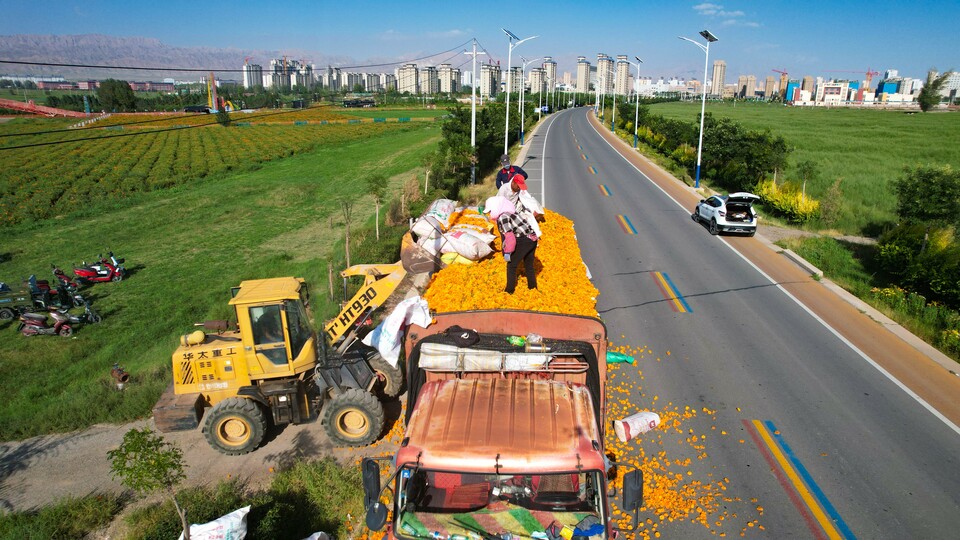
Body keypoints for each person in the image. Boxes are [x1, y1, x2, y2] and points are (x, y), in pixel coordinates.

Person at [484, 195, 538, 294]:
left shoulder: (503, 217)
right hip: (533, 239)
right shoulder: (511, 213)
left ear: (497, 207)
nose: (490, 214)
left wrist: (508, 253)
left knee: (511, 266)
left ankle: (509, 291)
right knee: (529, 265)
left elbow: (510, 238)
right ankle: (533, 288)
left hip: (524, 240)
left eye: (490, 211)